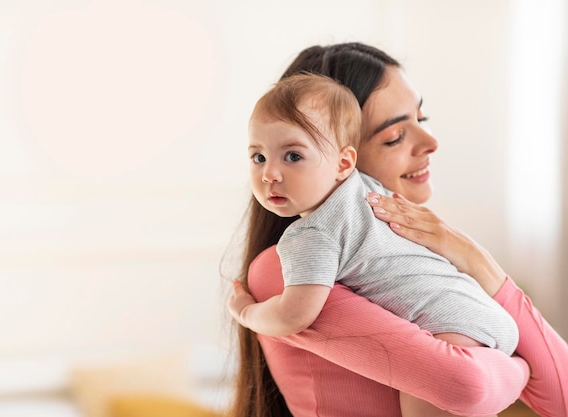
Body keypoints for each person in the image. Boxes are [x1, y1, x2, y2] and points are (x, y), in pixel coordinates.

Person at [224, 42, 568, 417]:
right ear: (345, 162)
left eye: (421, 118)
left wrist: (479, 263)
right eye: (394, 136)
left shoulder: (405, 258)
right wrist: (519, 369)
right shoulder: (284, 272)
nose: (431, 142)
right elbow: (467, 385)